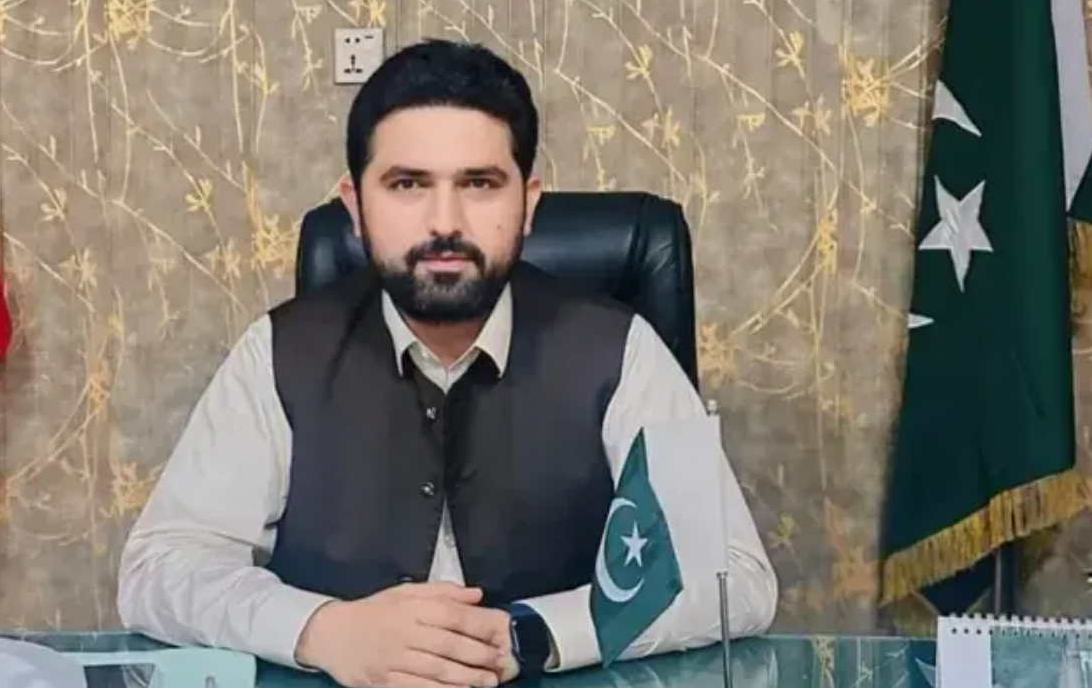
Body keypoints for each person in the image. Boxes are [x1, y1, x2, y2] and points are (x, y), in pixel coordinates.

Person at [117, 38, 778, 688]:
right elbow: (160, 568)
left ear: (528, 204)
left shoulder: (620, 348)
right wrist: (322, 629)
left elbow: (735, 581)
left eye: (479, 184)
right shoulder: (279, 351)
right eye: (407, 184)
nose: (444, 223)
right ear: (355, 207)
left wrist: (528, 635)